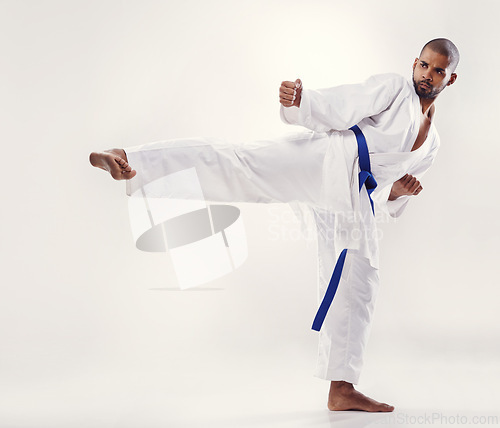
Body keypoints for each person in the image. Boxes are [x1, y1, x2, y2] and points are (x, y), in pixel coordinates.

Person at [89, 38, 459, 412]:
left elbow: (391, 192)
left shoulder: (432, 144)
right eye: (425, 66)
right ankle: (129, 159)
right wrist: (303, 101)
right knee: (239, 162)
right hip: (328, 159)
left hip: (354, 197)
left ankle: (341, 387)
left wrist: (397, 190)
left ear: (451, 79)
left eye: (438, 71)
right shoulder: (394, 89)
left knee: (359, 281)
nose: (428, 75)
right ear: (415, 63)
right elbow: (348, 102)